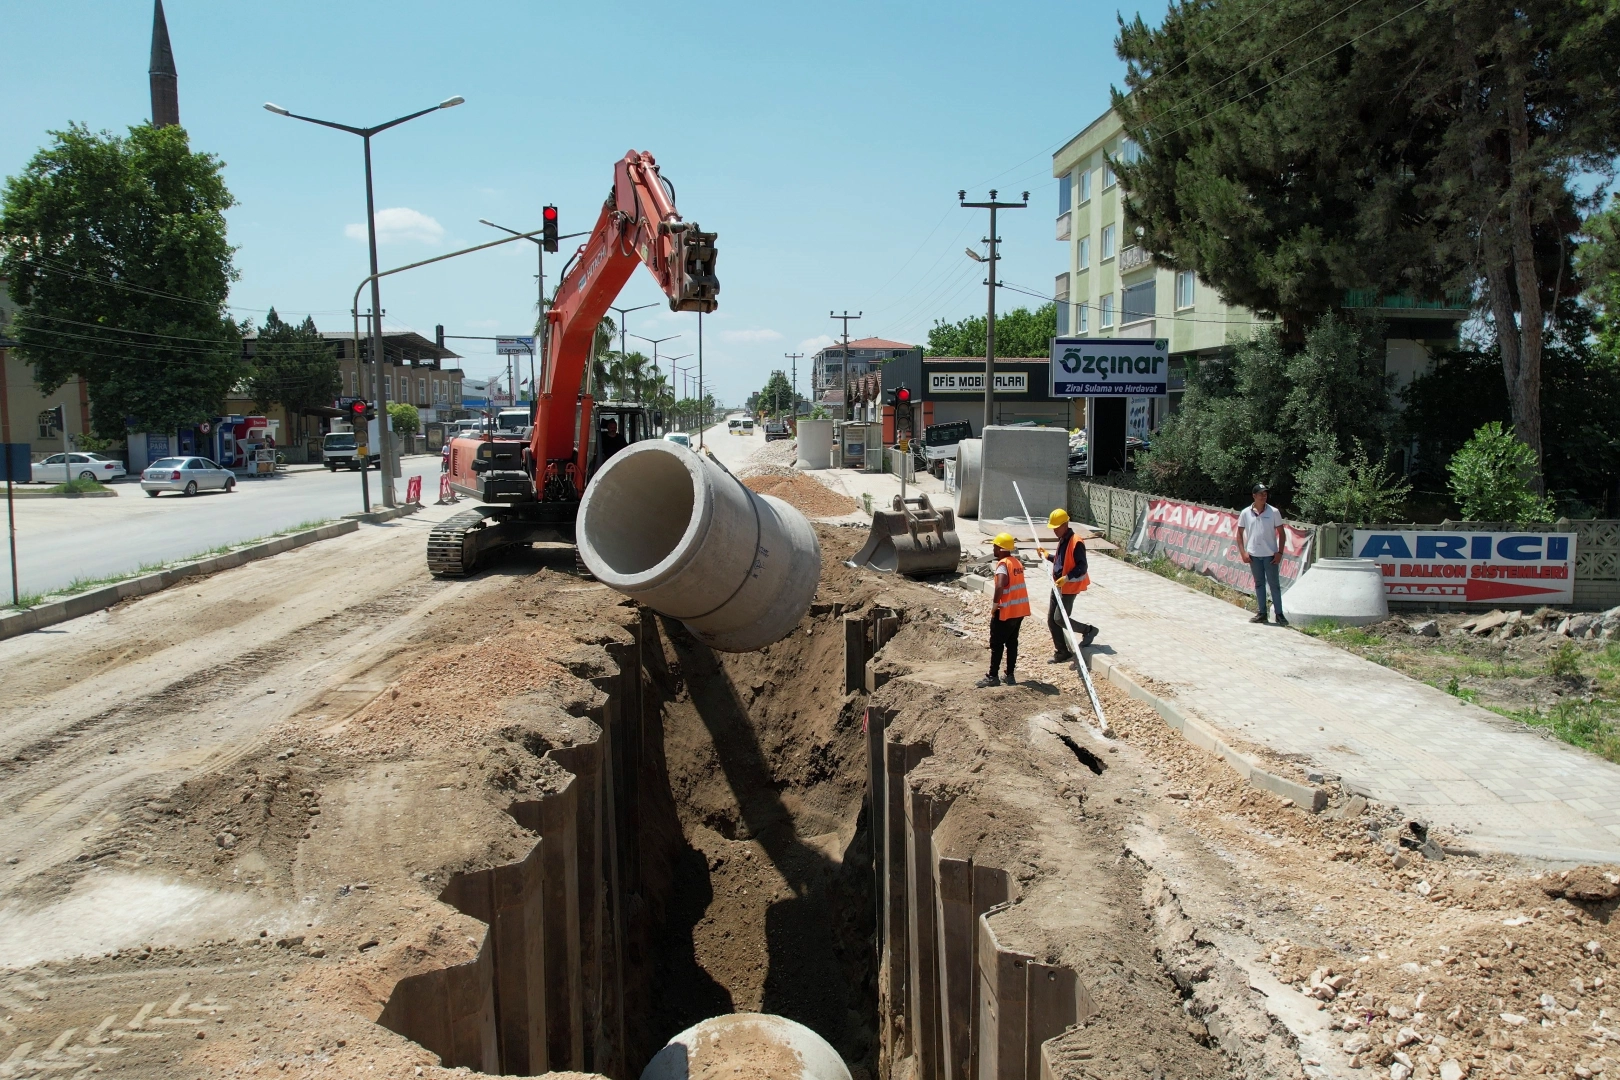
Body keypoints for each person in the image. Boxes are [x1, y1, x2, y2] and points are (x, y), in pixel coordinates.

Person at [1041, 508, 1098, 662]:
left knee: (1060, 619)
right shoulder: (1063, 540)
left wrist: (1067, 578)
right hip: (1058, 585)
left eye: (1056, 527)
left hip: (1069, 587)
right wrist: (1048, 556)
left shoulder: (1076, 542)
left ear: (1065, 524)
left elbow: (1082, 567)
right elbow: (1062, 562)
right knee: (1051, 620)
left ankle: (1089, 630)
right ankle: (1062, 652)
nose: (1054, 531)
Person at [977, 532, 1029, 688]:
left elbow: (1000, 585)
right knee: (1012, 643)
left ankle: (993, 676)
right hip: (1018, 611)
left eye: (994, 546)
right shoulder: (1017, 563)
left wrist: (994, 604)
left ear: (1000, 548)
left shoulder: (1003, 565)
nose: (993, 549)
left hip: (1005, 612)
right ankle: (1010, 675)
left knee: (997, 643)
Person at [1237, 482, 1289, 625]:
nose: (1263, 496)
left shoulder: (1273, 512)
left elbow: (1282, 533)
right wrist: (1243, 552)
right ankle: (1262, 613)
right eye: (1260, 494)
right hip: (1254, 554)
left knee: (1274, 585)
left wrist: (1279, 552)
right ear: (1254, 496)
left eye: (1265, 494)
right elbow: (1239, 534)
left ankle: (1279, 614)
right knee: (1259, 584)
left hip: (1270, 554)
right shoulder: (1245, 513)